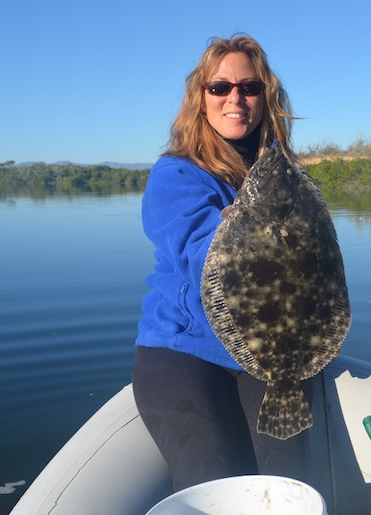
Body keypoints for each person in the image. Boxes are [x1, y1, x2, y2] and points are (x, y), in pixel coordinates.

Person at [132, 34, 315, 492]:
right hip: (184, 354)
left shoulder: (282, 176)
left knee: (286, 487)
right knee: (213, 488)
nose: (236, 98)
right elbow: (208, 262)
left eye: (250, 88)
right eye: (220, 87)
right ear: (202, 98)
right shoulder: (175, 174)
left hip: (268, 355)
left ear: (265, 97)